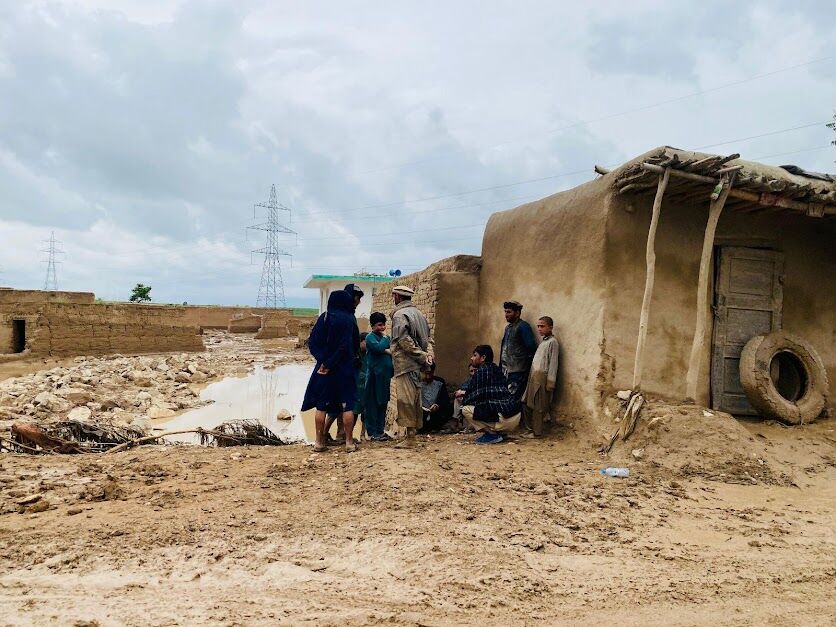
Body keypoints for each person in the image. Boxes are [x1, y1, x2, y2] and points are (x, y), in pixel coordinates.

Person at [301, 290, 359, 453]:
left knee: (321, 405)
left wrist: (324, 362)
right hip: (345, 369)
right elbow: (349, 346)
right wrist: (334, 362)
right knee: (347, 405)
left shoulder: (324, 317)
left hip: (324, 371)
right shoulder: (349, 320)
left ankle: (319, 442)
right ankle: (348, 442)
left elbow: (312, 343)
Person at [390, 285, 433, 447]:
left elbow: (404, 341)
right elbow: (428, 339)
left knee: (406, 400)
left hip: (406, 364)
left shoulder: (400, 315)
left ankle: (410, 438)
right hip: (417, 365)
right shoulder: (419, 314)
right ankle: (412, 434)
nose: (393, 299)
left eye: (394, 296)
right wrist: (427, 356)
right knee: (415, 399)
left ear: (398, 297)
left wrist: (421, 356)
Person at [324, 284, 364, 442]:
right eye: (357, 298)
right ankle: (327, 434)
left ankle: (340, 434)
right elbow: (343, 343)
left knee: (342, 402)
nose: (358, 302)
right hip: (342, 365)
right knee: (341, 402)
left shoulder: (345, 315)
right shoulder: (344, 317)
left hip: (344, 363)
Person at [461, 344, 521, 444]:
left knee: (465, 409)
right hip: (515, 415)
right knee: (489, 406)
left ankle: (491, 435)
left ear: (483, 358)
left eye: (475, 355)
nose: (472, 358)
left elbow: (469, 398)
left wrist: (463, 394)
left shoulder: (481, 372)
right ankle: (501, 433)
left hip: (503, 419)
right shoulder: (497, 369)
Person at [522, 316, 559, 438]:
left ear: (550, 327)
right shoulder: (543, 342)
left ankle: (537, 432)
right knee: (526, 403)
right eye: (538, 326)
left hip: (542, 378)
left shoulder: (553, 342)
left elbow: (553, 363)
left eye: (542, 326)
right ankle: (529, 429)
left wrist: (550, 383)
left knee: (538, 407)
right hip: (533, 377)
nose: (539, 329)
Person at [363, 312, 394, 441]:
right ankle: (373, 432)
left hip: (384, 377)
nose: (382, 328)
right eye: (379, 325)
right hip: (374, 377)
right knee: (373, 404)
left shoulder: (382, 337)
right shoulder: (370, 338)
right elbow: (380, 347)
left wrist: (386, 346)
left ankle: (380, 431)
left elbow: (390, 348)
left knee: (383, 403)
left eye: (384, 325)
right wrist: (386, 339)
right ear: (372, 326)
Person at [499, 301, 536, 401]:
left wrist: (525, 368)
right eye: (505, 312)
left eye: (509, 312)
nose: (506, 315)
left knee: (513, 399)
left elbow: (531, 347)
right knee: (505, 398)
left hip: (517, 371)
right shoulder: (508, 328)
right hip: (506, 370)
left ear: (517, 313)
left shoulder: (523, 326)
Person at [418, 363, 453, 434]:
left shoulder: (439, 382)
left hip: (436, 415)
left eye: (430, 374)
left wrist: (437, 405)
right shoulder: (417, 382)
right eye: (426, 373)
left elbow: (445, 399)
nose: (428, 377)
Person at [452, 363, 477, 432]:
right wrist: (459, 392)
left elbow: (478, 392)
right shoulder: (469, 380)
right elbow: (463, 388)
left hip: (478, 402)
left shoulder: (482, 379)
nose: (473, 373)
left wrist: (464, 393)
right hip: (468, 400)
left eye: (475, 370)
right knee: (458, 399)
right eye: (471, 371)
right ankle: (457, 421)